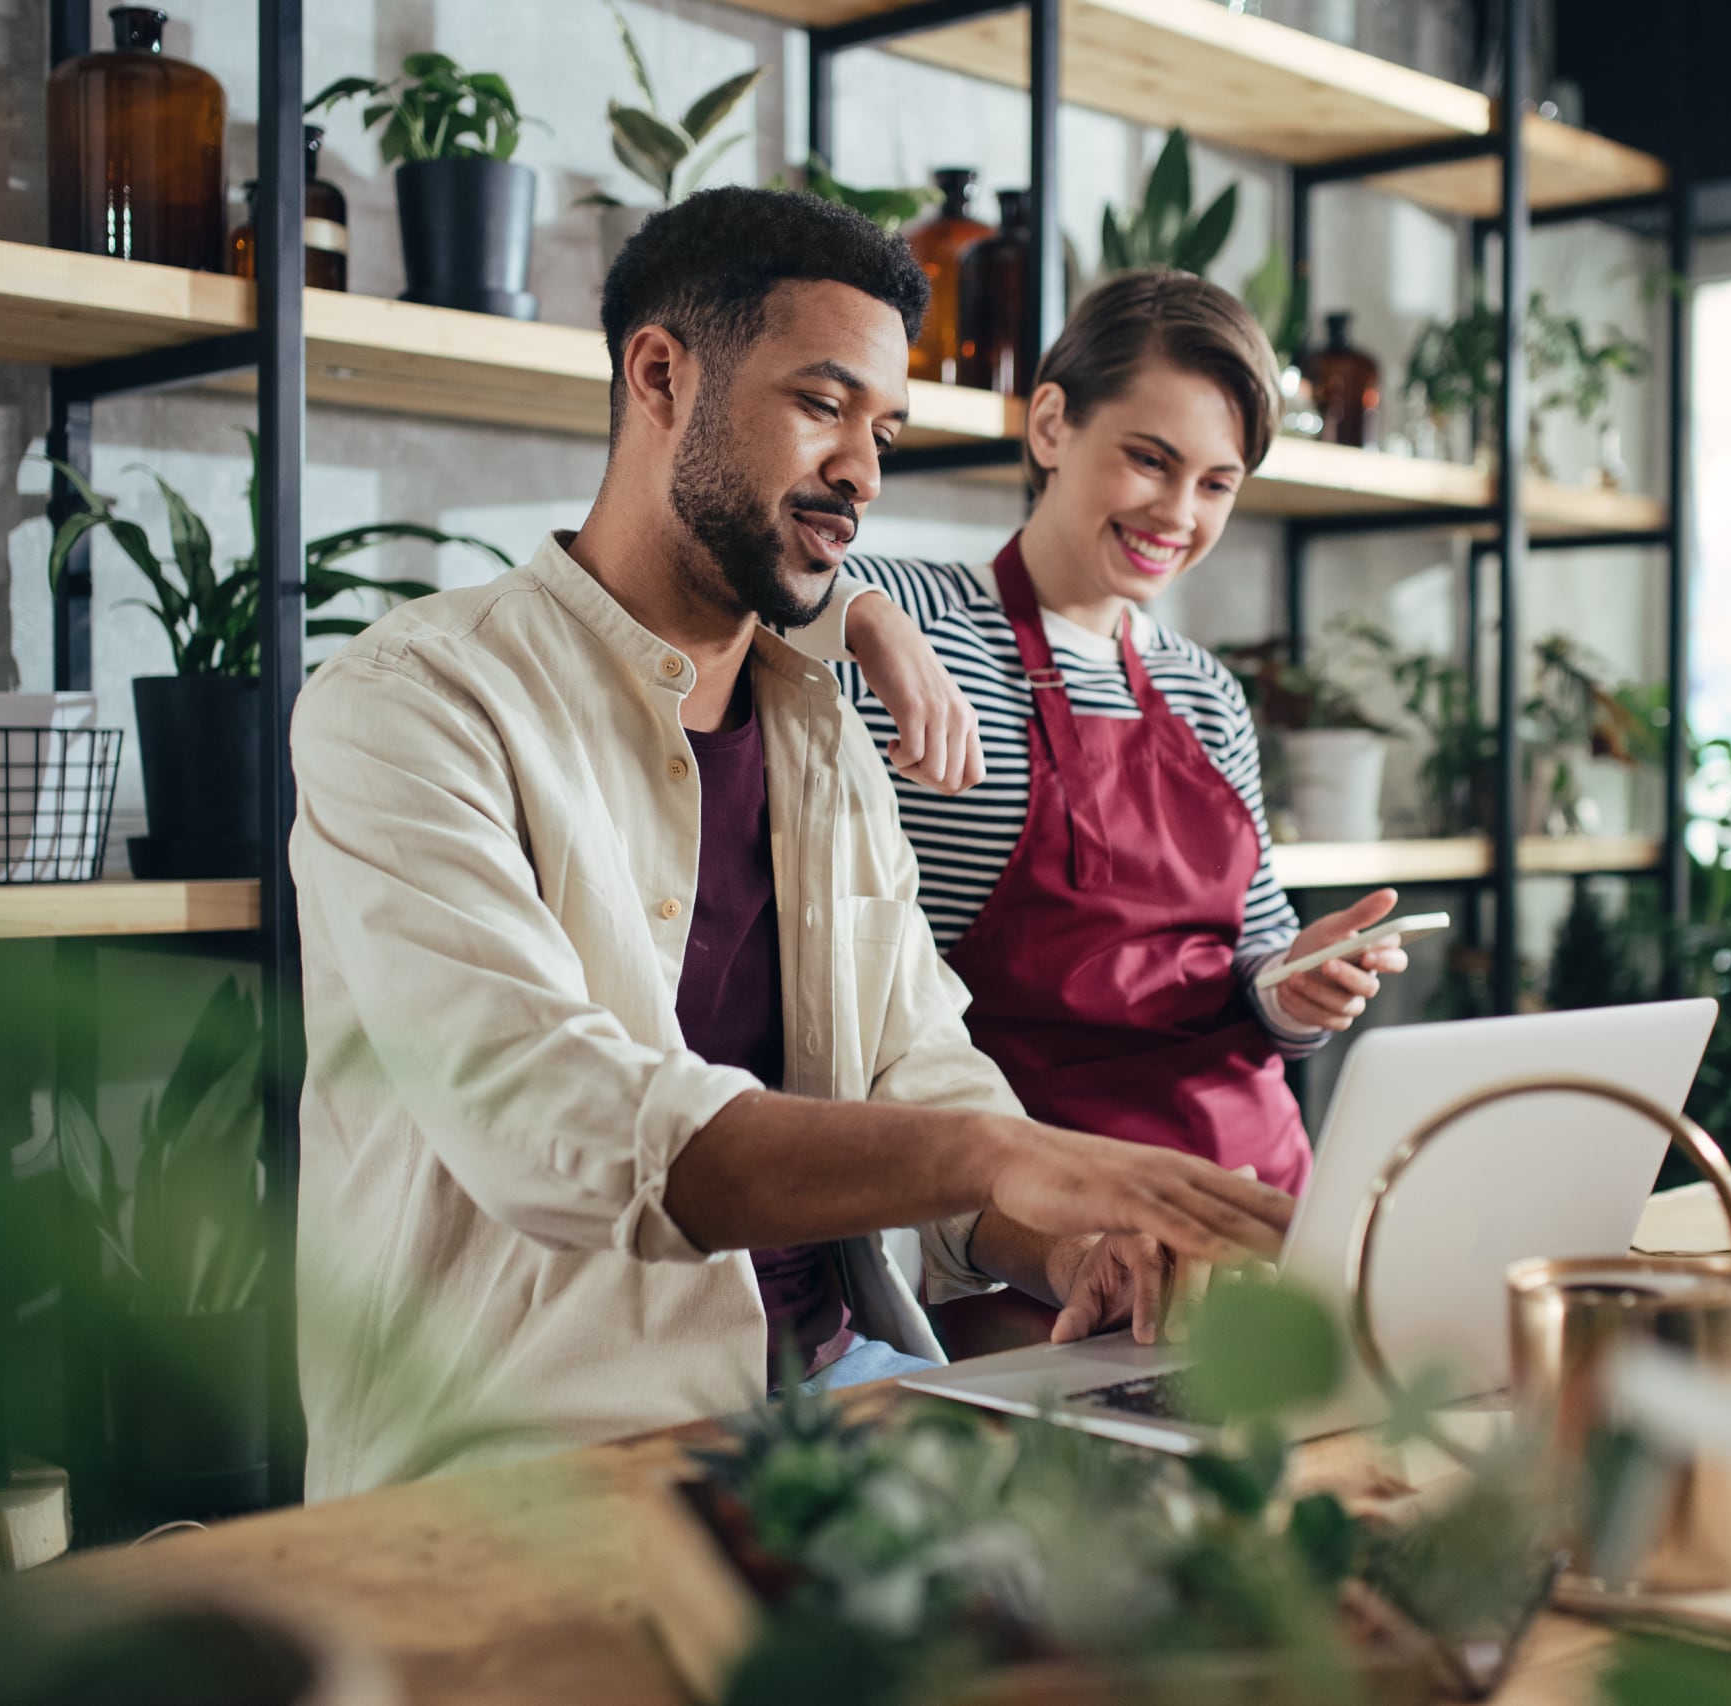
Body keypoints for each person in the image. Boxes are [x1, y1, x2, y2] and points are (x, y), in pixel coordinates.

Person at [287, 190, 1295, 1498]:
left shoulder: (818, 728)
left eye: (884, 430)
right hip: (535, 1464)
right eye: (824, 406)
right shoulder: (414, 702)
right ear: (661, 374)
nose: (865, 474)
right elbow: (554, 1121)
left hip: (841, 1401)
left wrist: (1062, 1245)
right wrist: (1013, 1154)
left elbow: (919, 1066)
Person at [798, 270, 1411, 1199]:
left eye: (1217, 484)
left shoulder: (1204, 689)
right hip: (1033, 1206)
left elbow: (1255, 954)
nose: (1178, 514)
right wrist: (871, 620)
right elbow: (729, 595)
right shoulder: (908, 615)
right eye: (1150, 460)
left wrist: (1299, 986)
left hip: (1255, 1185)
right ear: (1051, 425)